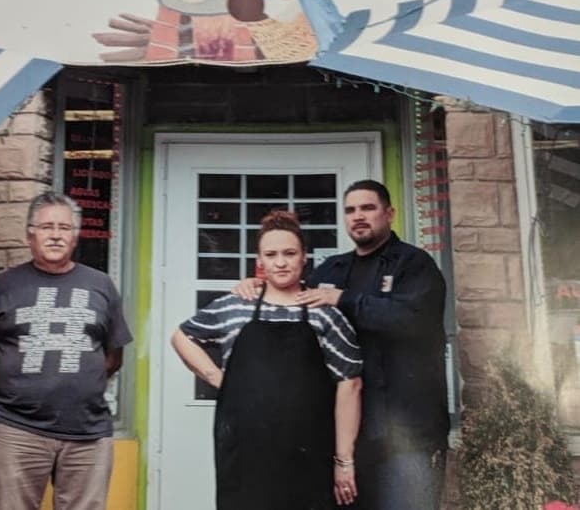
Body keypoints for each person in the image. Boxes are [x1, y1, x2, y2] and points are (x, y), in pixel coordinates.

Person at [235, 180, 449, 510]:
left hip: (408, 435)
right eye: (350, 210)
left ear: (389, 213)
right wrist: (257, 285)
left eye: (368, 208)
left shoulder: (414, 264)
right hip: (347, 437)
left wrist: (344, 299)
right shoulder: (333, 268)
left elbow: (413, 320)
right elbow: (291, 297)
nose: (358, 216)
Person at [173, 210, 363, 510]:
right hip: (244, 454)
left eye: (290, 253)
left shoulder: (324, 313)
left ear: (304, 258)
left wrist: (344, 460)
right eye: (271, 254)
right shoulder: (236, 305)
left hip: (309, 454)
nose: (281, 262)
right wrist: (218, 378)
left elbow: (349, 385)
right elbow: (182, 337)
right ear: (259, 261)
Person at [0, 192, 133, 510]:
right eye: (46, 227)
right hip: (16, 431)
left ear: (75, 235)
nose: (55, 235)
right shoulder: (1, 286)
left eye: (64, 228)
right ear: (30, 234)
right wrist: (16, 392)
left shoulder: (101, 285)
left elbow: (112, 357)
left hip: (88, 434)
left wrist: (76, 384)